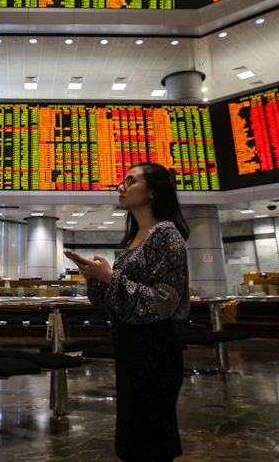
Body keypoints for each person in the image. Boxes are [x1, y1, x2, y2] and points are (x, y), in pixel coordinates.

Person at [66, 162, 190, 462]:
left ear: (151, 192)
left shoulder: (165, 234)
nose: (121, 186)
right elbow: (114, 303)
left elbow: (163, 301)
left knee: (151, 439)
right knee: (133, 437)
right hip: (131, 347)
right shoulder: (135, 240)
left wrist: (111, 278)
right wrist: (96, 280)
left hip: (154, 349)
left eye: (130, 181)